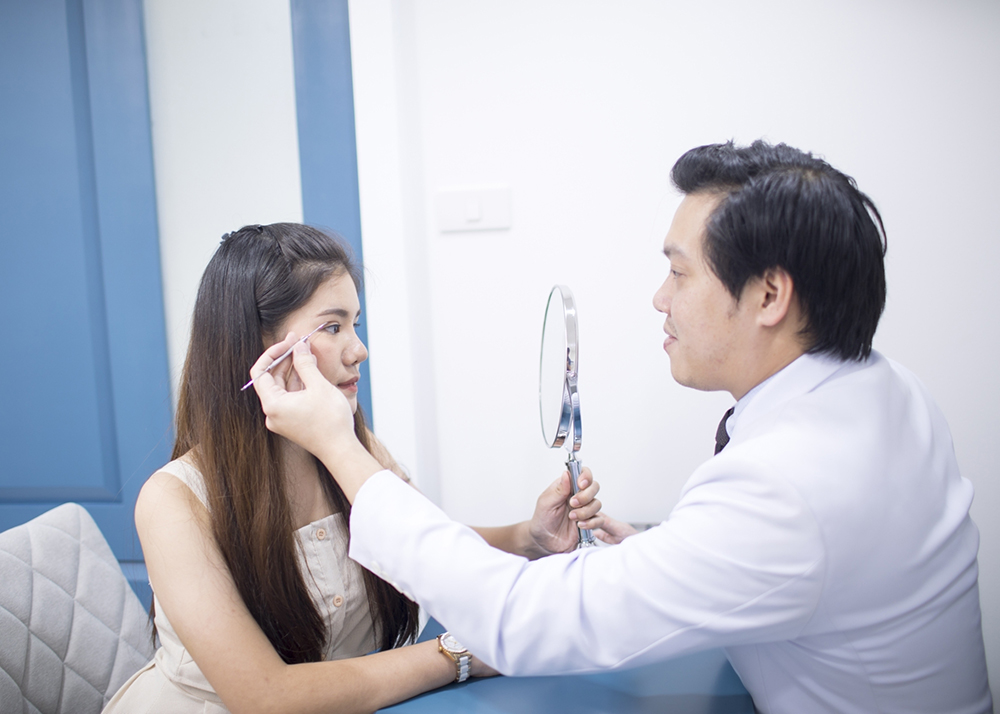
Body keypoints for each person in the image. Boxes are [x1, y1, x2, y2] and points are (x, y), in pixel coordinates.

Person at [251, 143, 993, 713]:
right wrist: (670, 559)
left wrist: (338, 445)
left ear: (770, 295)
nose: (659, 298)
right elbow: (792, 571)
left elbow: (524, 621)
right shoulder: (886, 389)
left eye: (680, 272)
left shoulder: (787, 486)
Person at [103, 223, 603, 713]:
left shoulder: (352, 447)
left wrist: (529, 538)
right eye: (332, 327)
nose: (359, 350)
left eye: (355, 325)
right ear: (258, 347)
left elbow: (423, 544)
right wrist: (461, 654)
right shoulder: (173, 501)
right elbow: (266, 698)